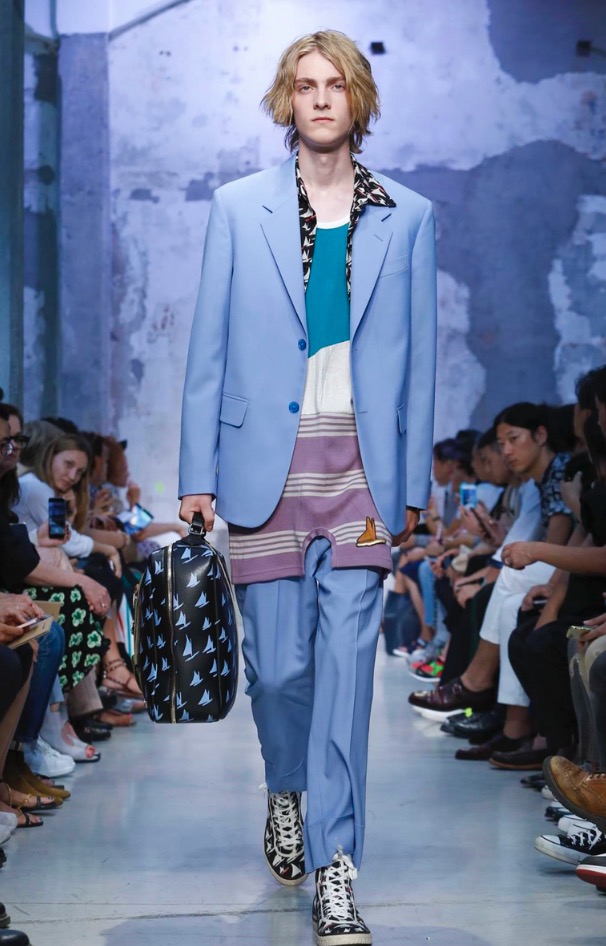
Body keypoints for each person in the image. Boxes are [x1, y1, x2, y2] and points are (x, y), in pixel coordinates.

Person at [178, 30, 436, 946]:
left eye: (336, 84)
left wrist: (412, 481)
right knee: (280, 670)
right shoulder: (237, 207)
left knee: (348, 677)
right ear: (286, 100)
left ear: (358, 99)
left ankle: (337, 871)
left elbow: (419, 360)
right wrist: (196, 474)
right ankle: (285, 788)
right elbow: (208, 344)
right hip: (265, 473)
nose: (321, 99)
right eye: (304, 84)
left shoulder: (408, 214)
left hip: (362, 478)